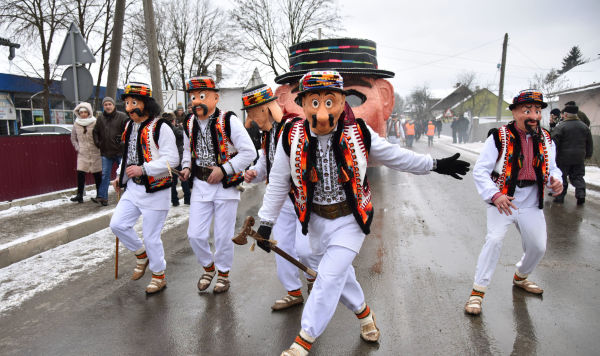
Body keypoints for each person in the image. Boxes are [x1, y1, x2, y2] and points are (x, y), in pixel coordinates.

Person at [255, 70, 470, 355]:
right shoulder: (290, 137)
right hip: (312, 220)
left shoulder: (359, 133)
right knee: (317, 261)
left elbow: (396, 157)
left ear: (342, 102)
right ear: (303, 104)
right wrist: (266, 223)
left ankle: (303, 340)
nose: (322, 111)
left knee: (329, 276)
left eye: (329, 101)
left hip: (349, 220)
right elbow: (279, 181)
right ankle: (365, 313)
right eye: (314, 102)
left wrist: (435, 164)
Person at [465, 89, 563, 316]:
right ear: (516, 112)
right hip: (503, 200)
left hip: (531, 201)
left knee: (538, 246)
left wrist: (555, 180)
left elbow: (552, 167)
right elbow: (480, 171)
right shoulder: (498, 137)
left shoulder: (546, 138)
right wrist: (495, 195)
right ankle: (477, 293)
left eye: (538, 111)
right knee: (494, 240)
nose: (534, 116)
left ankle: (521, 277)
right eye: (528, 111)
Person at [241, 83, 316, 310]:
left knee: (305, 248)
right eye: (250, 114)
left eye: (254, 113)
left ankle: (315, 282)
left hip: (303, 198)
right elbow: (267, 163)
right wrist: (254, 173)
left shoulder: (294, 127)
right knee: (282, 246)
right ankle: (293, 292)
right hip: (281, 201)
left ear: (267, 108)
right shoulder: (268, 135)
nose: (252, 119)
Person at [180, 76, 256, 294]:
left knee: (223, 236)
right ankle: (208, 267)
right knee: (195, 234)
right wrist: (186, 167)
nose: (196, 101)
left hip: (225, 187)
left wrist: (224, 170)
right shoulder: (189, 122)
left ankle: (223, 273)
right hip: (200, 185)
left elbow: (249, 152)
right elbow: (187, 150)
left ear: (215, 97)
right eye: (193, 97)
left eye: (201, 96)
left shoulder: (228, 120)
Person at [109, 82, 180, 294]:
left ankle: (159, 275)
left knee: (151, 237)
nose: (129, 108)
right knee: (118, 224)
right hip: (133, 189)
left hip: (156, 191)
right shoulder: (130, 126)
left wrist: (144, 169)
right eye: (127, 104)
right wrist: (120, 177)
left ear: (146, 104)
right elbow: (128, 156)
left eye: (134, 103)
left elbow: (173, 160)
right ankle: (142, 255)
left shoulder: (161, 127)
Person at [551, 104, 593, 205]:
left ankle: (560, 197)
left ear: (565, 115)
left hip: (563, 158)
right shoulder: (584, 127)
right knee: (578, 176)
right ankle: (581, 195)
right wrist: (588, 154)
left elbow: (554, 142)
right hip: (579, 157)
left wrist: (552, 156)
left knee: (562, 177)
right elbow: (589, 142)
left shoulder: (561, 127)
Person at [93, 97, 128, 206]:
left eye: (109, 104)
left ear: (113, 105)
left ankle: (129, 195)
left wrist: (123, 140)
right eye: (105, 105)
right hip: (106, 152)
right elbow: (95, 132)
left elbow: (128, 130)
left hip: (119, 152)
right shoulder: (100, 118)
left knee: (124, 174)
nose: (108, 106)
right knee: (105, 175)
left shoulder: (122, 116)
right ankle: (102, 197)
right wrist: (98, 143)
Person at [70, 102, 102, 203]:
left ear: (89, 112)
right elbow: (73, 138)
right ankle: (80, 195)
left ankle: (100, 194)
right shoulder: (76, 123)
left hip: (95, 152)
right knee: (80, 173)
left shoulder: (95, 122)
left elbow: (101, 135)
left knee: (97, 174)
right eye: (81, 112)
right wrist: (78, 148)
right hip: (82, 153)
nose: (83, 114)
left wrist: (99, 146)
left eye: (85, 112)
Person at [165, 111, 191, 206]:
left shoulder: (163, 131)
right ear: (173, 121)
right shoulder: (175, 129)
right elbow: (184, 136)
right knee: (183, 179)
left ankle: (174, 201)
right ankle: (187, 199)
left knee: (172, 181)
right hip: (179, 157)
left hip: (170, 159)